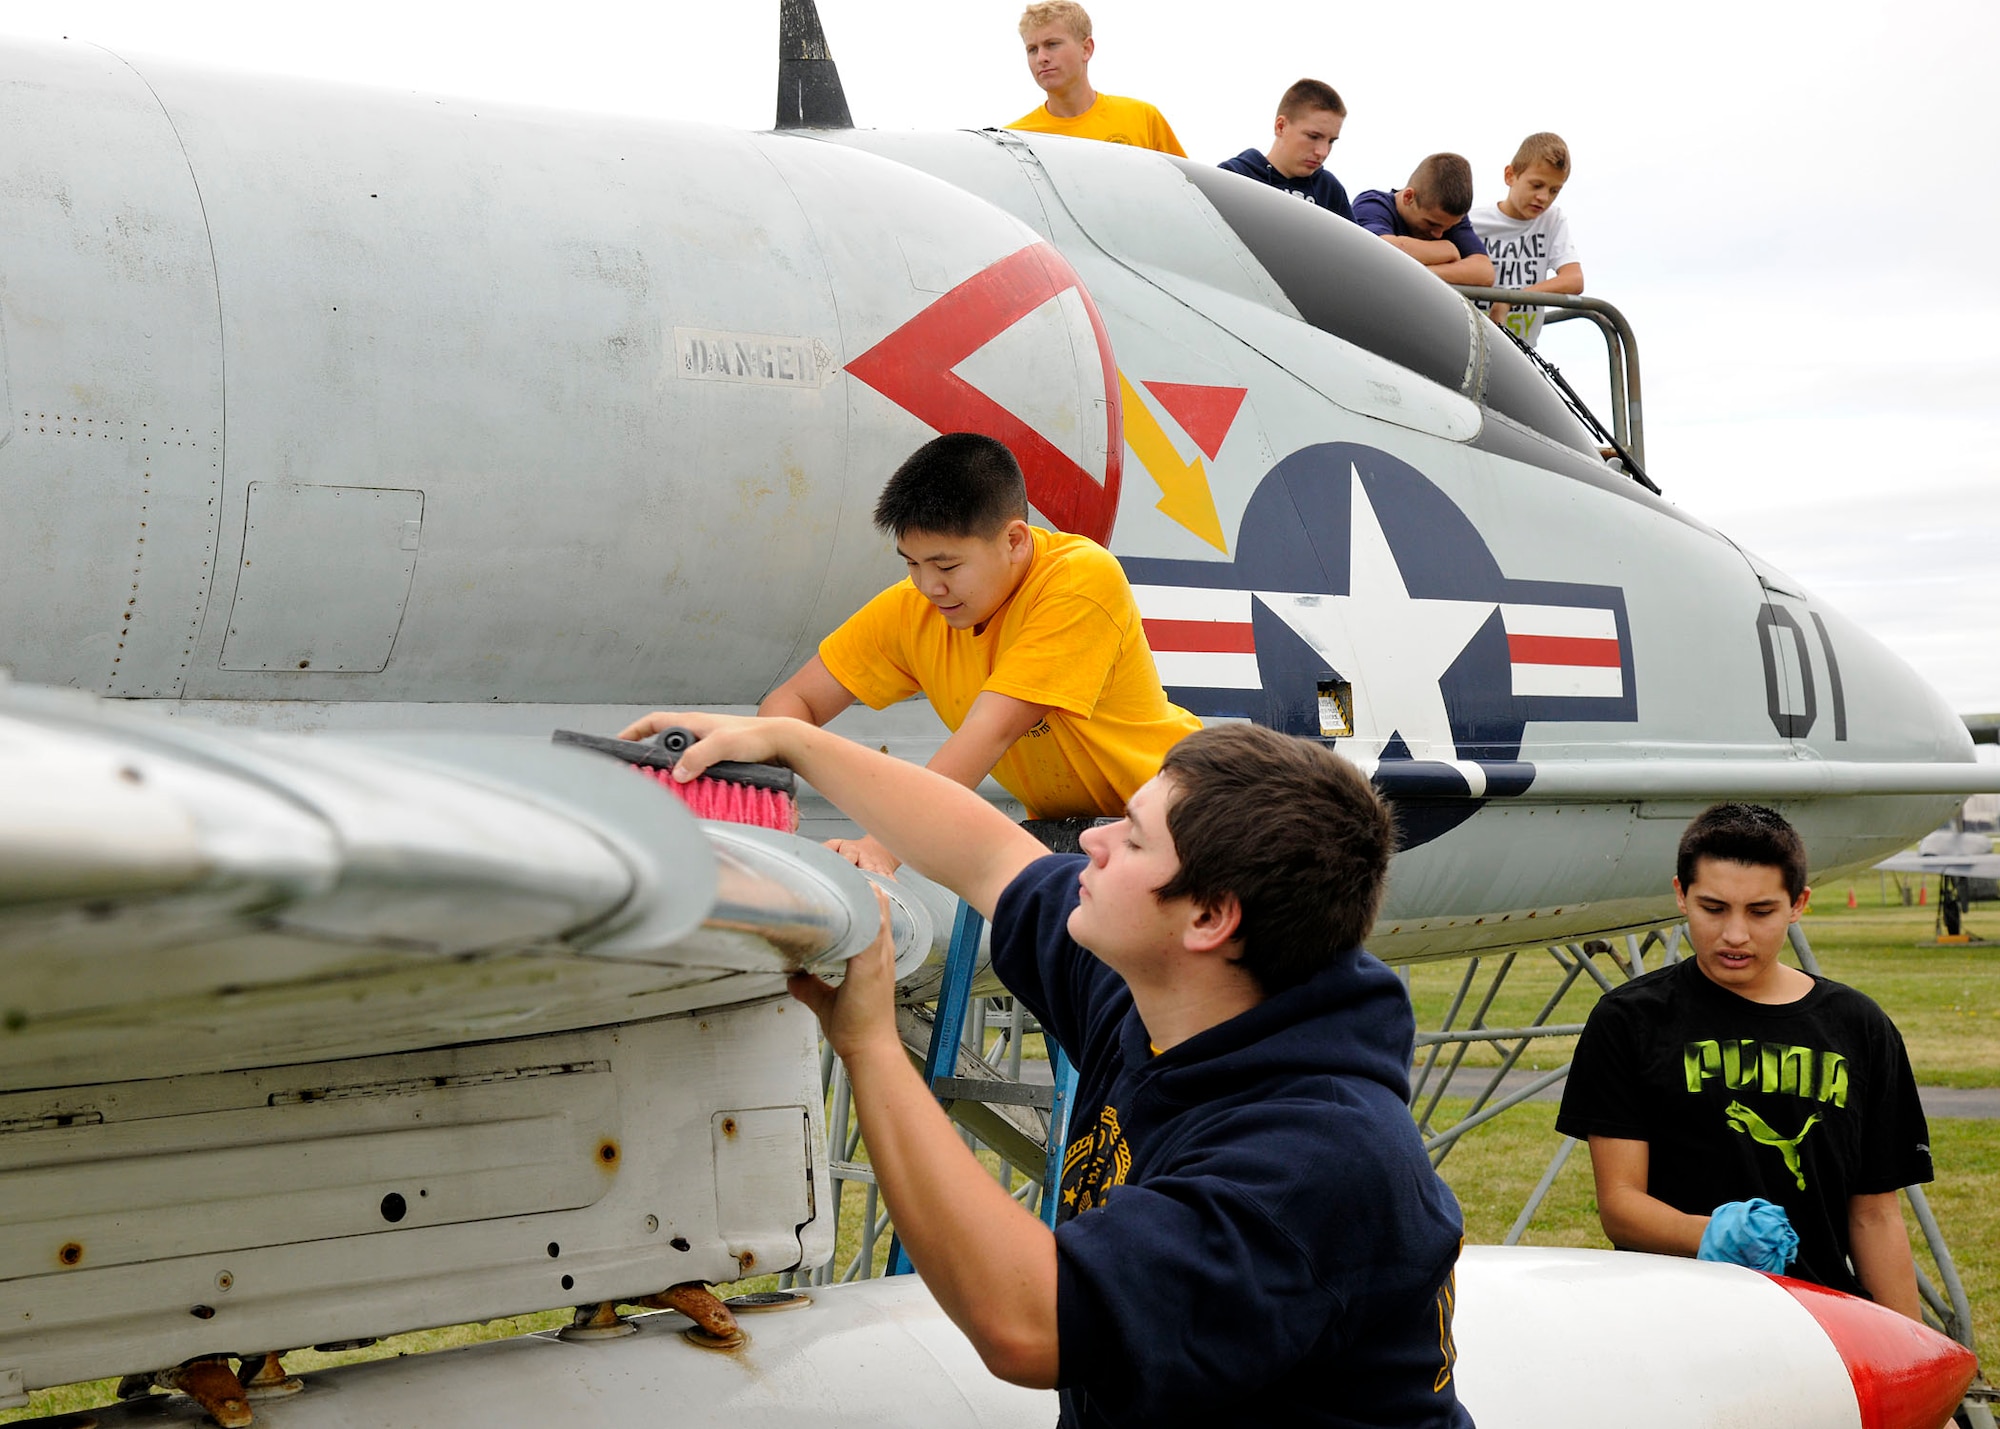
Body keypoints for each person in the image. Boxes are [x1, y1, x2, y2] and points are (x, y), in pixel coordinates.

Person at [622, 712, 1473, 1428]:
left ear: (1210, 917)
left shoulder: (1324, 1157)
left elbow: (1033, 1325)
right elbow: (991, 856)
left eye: (1130, 837)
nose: (1091, 841)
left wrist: (872, 1047)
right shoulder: (1170, 990)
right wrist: (790, 739)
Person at [666, 431, 1199, 874]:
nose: (929, 586)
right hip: (1076, 835)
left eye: (946, 567)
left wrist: (882, 848)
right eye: (911, 564)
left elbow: (991, 731)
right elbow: (796, 701)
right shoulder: (913, 608)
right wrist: (771, 790)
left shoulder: (1080, 579)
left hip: (1190, 811)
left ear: (1015, 540)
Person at [1556, 804, 1932, 1316]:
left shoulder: (1859, 1026)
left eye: (1760, 911)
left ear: (1797, 904)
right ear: (1680, 895)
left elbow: (1874, 1215)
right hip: (1673, 1315)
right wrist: (1713, 1235)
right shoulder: (1628, 1020)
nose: (1735, 934)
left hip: (1821, 1319)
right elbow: (1621, 1207)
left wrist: (1907, 1348)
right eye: (1713, 908)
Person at [1006, 1, 1185, 156]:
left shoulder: (1142, 118)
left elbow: (1189, 190)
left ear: (1086, 49)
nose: (1041, 58)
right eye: (1032, 49)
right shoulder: (1014, 140)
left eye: (1052, 44)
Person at [1467, 133, 1583, 347]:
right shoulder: (1472, 221)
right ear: (1510, 175)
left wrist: (1512, 298)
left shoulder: (1552, 220)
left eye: (1554, 190)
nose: (1544, 197)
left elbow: (1574, 280)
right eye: (1536, 185)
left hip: (1520, 351)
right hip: (1472, 342)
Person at [1218, 78, 1353, 220]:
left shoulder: (1330, 191)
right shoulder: (1232, 177)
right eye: (1313, 137)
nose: (1323, 152)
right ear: (1281, 126)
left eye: (1331, 141)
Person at [1352, 156, 1494, 286]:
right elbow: (1378, 251)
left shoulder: (1448, 219)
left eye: (1449, 227)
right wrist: (1447, 249)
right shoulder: (1371, 205)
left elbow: (1484, 272)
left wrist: (1420, 275)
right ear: (1408, 197)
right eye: (1431, 223)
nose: (1439, 234)